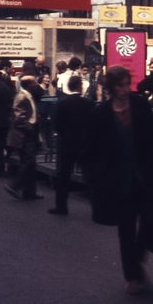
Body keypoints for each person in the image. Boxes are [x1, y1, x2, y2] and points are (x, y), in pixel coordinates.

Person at [82, 66, 153, 294]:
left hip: (143, 177)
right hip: (118, 182)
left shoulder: (140, 105)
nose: (126, 89)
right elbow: (89, 150)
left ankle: (135, 262)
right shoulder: (100, 113)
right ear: (110, 87)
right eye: (120, 85)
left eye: (128, 84)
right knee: (126, 230)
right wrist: (94, 179)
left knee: (150, 221)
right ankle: (131, 275)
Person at [49, 75, 95, 215]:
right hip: (84, 145)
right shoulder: (89, 104)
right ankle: (97, 207)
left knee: (63, 176)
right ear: (80, 87)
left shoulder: (62, 104)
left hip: (67, 144)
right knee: (89, 176)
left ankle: (61, 206)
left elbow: (57, 125)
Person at [4, 76, 42, 200]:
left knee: (31, 162)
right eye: (34, 81)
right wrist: (29, 127)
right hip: (24, 133)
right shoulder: (21, 97)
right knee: (28, 161)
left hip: (31, 131)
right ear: (29, 84)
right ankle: (14, 186)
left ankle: (29, 191)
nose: (36, 83)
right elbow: (19, 117)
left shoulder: (29, 95)